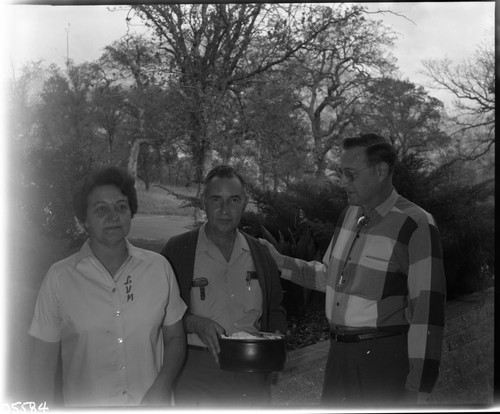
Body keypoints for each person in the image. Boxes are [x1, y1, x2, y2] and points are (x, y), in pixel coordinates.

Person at [260, 134, 446, 407]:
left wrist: (417, 392)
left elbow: (427, 315)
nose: (342, 182)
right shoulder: (348, 216)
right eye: (341, 173)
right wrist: (278, 261)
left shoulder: (416, 224)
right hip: (338, 357)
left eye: (350, 174)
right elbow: (329, 277)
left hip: (383, 362)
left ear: (381, 171)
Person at [28, 166, 187, 407]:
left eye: (121, 207)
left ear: (131, 213)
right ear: (84, 221)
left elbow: (175, 338)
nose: (113, 216)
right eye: (101, 209)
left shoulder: (159, 268)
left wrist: (162, 387)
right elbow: (42, 364)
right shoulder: (59, 277)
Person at [162, 165, 287, 406]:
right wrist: (193, 322)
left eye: (234, 200)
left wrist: (276, 346)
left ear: (245, 203)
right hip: (195, 370)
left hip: (251, 370)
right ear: (204, 202)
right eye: (216, 199)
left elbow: (275, 308)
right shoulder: (177, 251)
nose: (224, 210)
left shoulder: (260, 253)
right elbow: (159, 310)